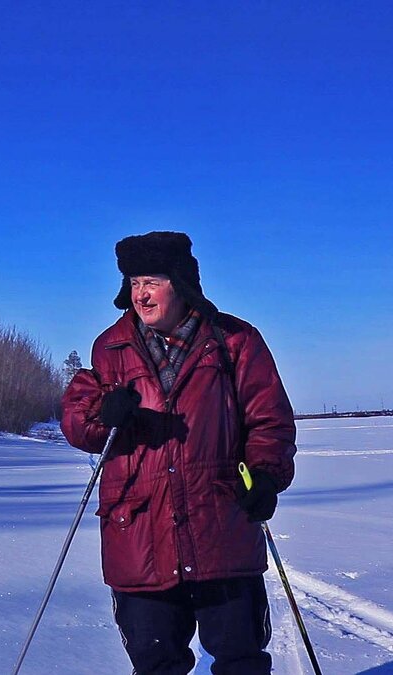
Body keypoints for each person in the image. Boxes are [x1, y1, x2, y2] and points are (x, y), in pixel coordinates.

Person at [62, 231, 297, 675]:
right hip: (138, 536)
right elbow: (78, 421)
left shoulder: (235, 342)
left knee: (241, 663)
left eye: (151, 281)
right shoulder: (109, 349)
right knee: (156, 667)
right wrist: (101, 412)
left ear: (182, 283)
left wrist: (265, 474)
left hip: (221, 529)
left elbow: (270, 420)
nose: (141, 295)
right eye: (133, 283)